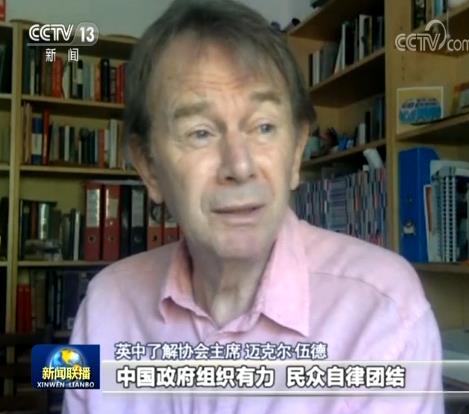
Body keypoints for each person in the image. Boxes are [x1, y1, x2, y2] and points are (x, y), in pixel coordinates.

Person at [62, 0, 444, 412]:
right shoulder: (105, 308)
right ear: (150, 167)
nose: (240, 166)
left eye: (263, 126)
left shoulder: (384, 311)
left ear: (295, 153)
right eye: (200, 132)